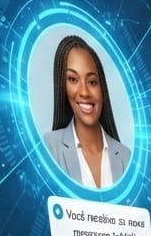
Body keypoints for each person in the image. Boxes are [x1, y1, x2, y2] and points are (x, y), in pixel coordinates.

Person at [43, 34, 131, 188]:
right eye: (73, 79)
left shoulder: (126, 157)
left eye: (92, 82)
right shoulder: (49, 148)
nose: (84, 92)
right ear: (62, 87)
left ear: (102, 88)